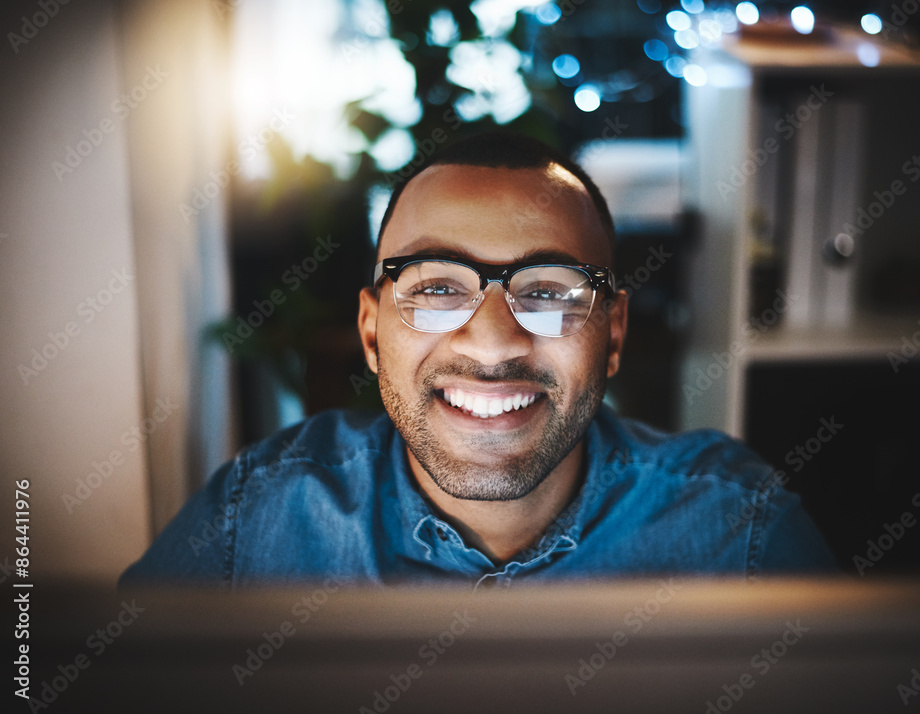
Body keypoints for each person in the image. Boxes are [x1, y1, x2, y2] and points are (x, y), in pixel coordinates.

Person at [121, 132, 835, 588]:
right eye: (436, 287)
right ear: (372, 335)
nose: (492, 343)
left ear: (613, 335)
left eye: (550, 292)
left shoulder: (741, 534)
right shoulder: (254, 524)